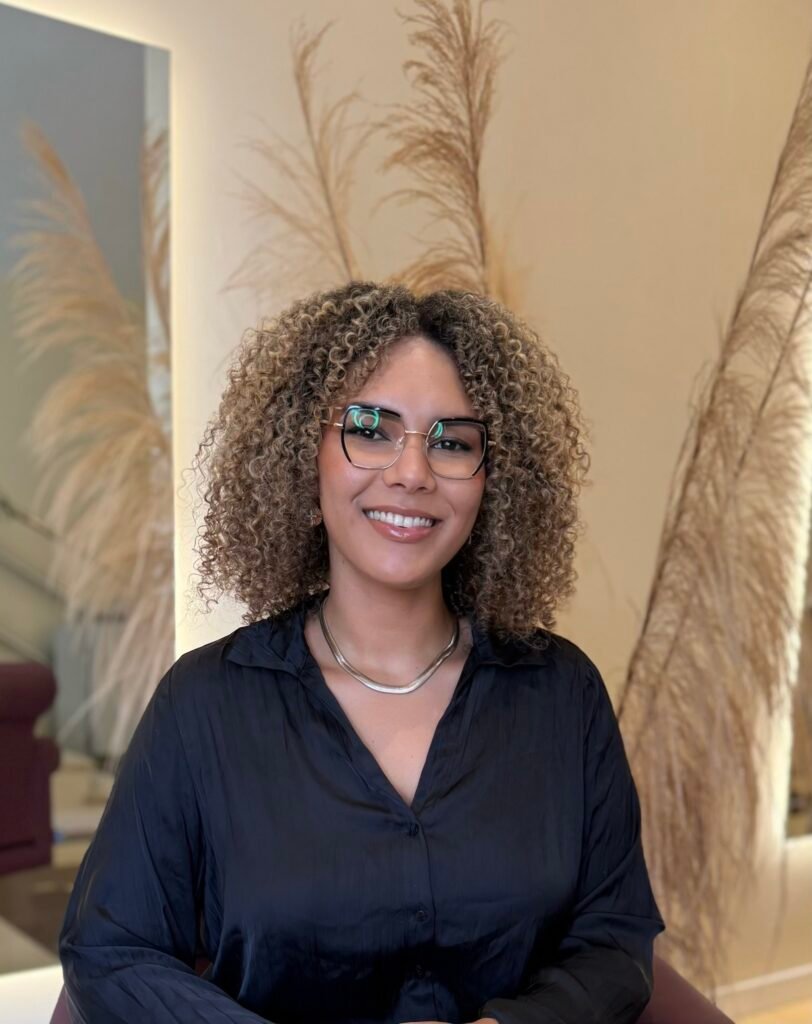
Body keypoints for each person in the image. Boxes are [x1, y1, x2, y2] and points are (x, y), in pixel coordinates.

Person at [58, 281, 666, 1024]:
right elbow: (112, 951)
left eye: (452, 441)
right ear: (302, 459)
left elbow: (615, 941)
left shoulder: (562, 693)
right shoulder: (205, 703)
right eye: (371, 430)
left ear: (491, 483)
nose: (412, 472)